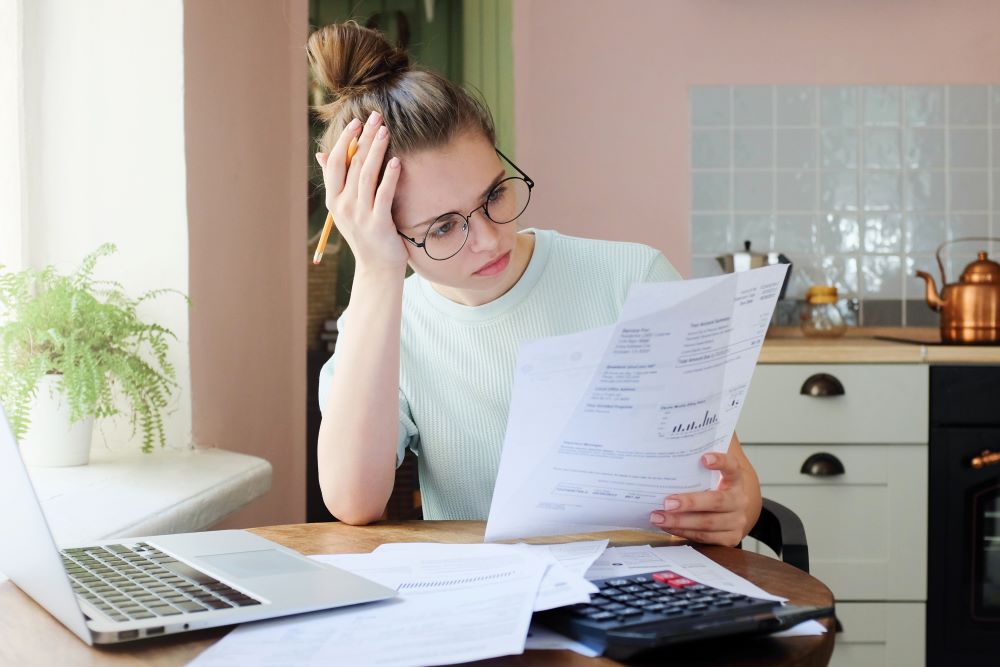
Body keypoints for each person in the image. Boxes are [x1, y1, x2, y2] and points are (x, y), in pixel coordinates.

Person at [310, 21, 761, 547]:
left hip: (642, 587)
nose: (488, 239)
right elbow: (352, 501)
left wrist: (742, 502)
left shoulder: (633, 278)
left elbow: (728, 468)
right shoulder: (384, 321)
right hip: (491, 600)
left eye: (494, 195)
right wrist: (376, 269)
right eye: (443, 227)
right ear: (383, 230)